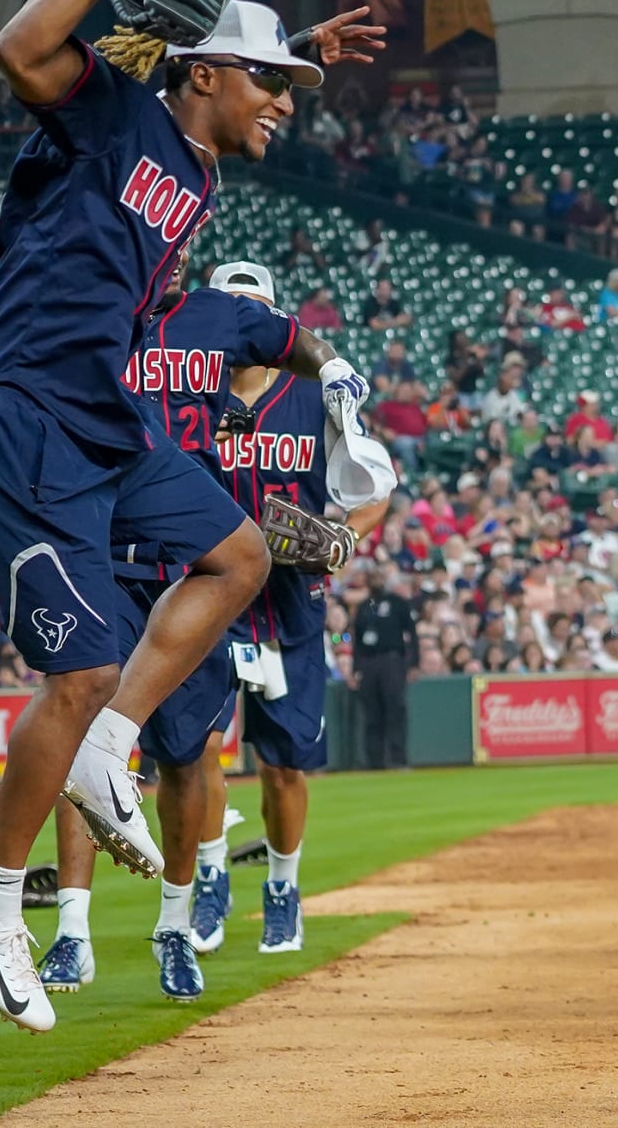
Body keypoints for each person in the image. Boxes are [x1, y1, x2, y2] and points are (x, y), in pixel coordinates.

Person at [0, 0, 379, 1033]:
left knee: (235, 550)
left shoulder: (194, 151)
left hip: (102, 419)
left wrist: (285, 46)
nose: (289, 99)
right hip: (24, 417)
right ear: (210, 71)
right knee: (76, 674)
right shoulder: (118, 114)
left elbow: (214, 77)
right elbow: (20, 52)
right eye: (273, 81)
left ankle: (108, 748)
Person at [216, 331, 390, 956]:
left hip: (287, 611)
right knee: (196, 752)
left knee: (283, 763)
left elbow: (376, 490)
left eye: (257, 312)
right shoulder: (185, 391)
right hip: (205, 600)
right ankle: (210, 869)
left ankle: (283, 891)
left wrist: (342, 538)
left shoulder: (316, 397)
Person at [352, 565, 416, 769]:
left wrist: (413, 663)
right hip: (369, 662)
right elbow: (357, 642)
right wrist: (356, 668)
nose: (377, 581)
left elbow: (412, 635)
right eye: (373, 577)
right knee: (372, 713)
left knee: (395, 709)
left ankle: (398, 759)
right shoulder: (363, 607)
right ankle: (374, 761)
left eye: (380, 577)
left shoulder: (398, 603)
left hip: (392, 660)